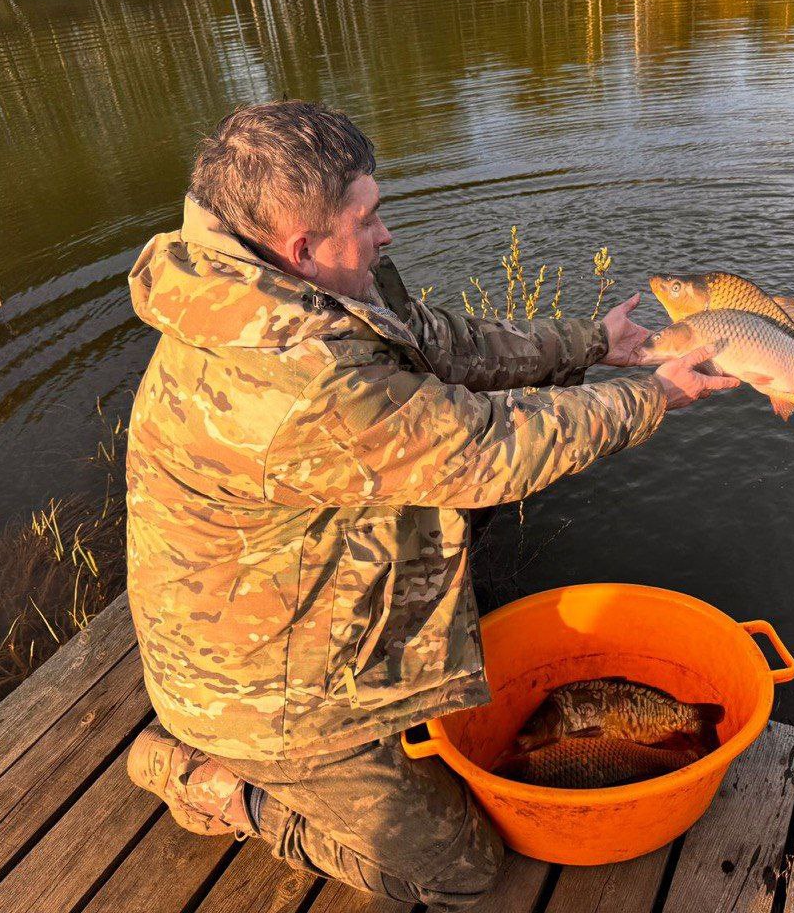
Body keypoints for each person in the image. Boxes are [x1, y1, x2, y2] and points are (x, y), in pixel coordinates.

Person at [122, 100, 736, 909]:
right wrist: (648, 396)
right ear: (303, 247)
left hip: (284, 608)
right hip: (259, 696)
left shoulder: (282, 287)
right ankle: (211, 782)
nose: (387, 235)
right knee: (461, 874)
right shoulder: (299, 383)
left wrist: (591, 344)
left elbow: (440, 345)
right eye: (369, 219)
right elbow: (486, 448)